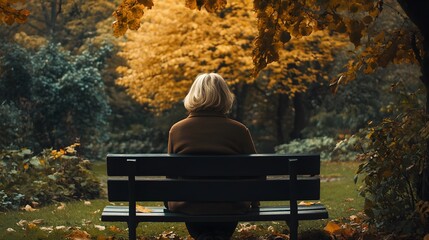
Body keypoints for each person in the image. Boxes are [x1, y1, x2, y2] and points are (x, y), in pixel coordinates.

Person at [167, 73, 258, 240]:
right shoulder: (239, 130)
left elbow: (171, 176)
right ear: (225, 97)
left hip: (189, 206)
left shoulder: (177, 130)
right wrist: (254, 202)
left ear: (193, 95)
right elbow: (256, 173)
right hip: (231, 206)